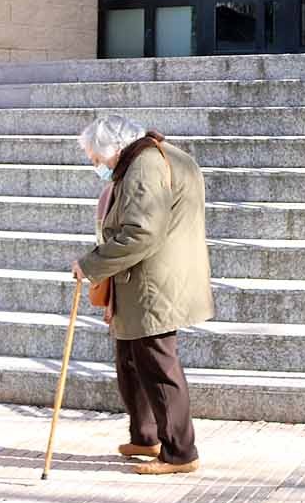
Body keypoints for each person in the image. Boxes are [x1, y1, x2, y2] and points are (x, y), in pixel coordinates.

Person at [72, 114, 213, 475]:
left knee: (157, 364)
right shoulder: (148, 159)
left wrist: (92, 264)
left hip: (154, 284)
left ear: (114, 149)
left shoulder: (145, 166)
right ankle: (146, 436)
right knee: (130, 361)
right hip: (145, 280)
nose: (96, 165)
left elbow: (141, 232)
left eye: (97, 158)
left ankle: (180, 452)